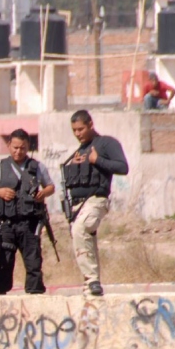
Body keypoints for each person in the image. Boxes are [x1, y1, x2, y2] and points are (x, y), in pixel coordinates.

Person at [0, 129, 56, 295]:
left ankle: (34, 293)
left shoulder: (37, 167)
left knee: (33, 261)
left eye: (22, 148)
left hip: (30, 223)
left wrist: (44, 193)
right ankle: (0, 293)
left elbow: (50, 186)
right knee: (4, 260)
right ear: (9, 145)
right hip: (6, 223)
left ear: (28, 146)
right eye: (15, 147)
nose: (18, 151)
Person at [63, 110, 130, 297]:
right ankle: (91, 285)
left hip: (96, 200)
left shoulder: (106, 143)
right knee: (86, 240)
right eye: (74, 130)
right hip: (77, 205)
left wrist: (97, 160)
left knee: (80, 230)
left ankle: (91, 279)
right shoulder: (79, 151)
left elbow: (123, 167)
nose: (77, 134)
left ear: (91, 125)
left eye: (81, 129)